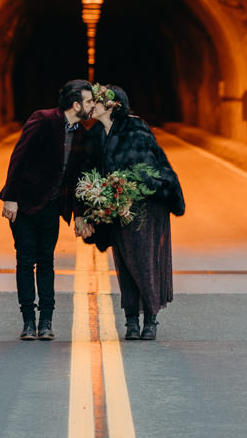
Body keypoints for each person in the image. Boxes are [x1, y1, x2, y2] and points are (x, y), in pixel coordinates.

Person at [75, 84, 185, 341]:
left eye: (97, 102)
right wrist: (90, 207)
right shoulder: (94, 135)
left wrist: (125, 196)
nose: (92, 106)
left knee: (143, 261)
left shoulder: (135, 129)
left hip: (147, 206)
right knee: (124, 263)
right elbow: (85, 173)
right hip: (117, 207)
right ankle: (131, 320)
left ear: (113, 106)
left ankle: (151, 318)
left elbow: (148, 172)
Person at [0, 79, 95, 341]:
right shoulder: (42, 119)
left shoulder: (82, 134)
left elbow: (78, 178)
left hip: (53, 207)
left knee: (47, 262)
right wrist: (11, 197)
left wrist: (79, 213)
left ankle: (46, 322)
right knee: (25, 261)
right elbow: (19, 156)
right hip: (26, 204)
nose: (92, 106)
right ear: (76, 104)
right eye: (88, 101)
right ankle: (28, 321)